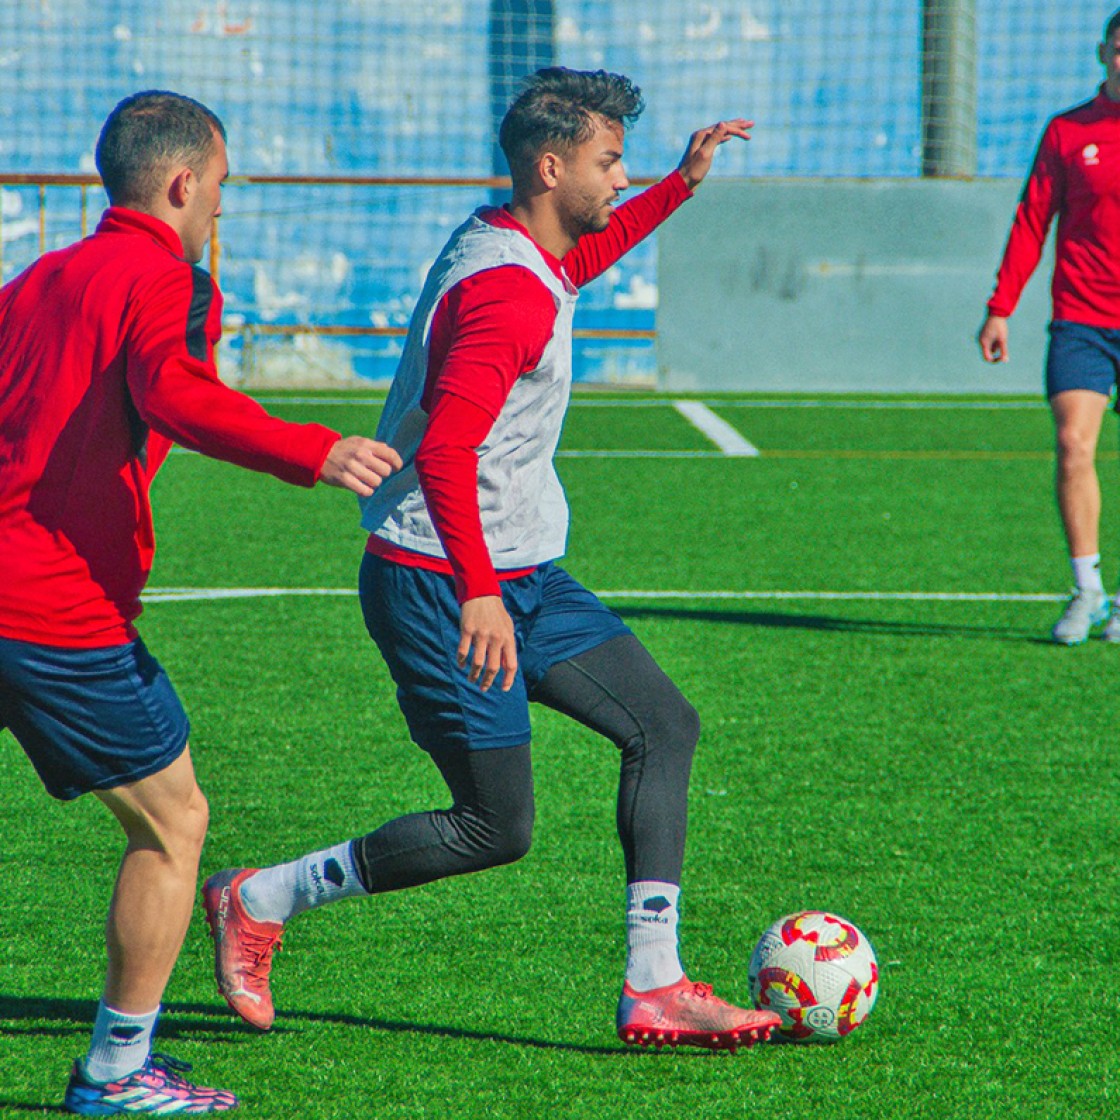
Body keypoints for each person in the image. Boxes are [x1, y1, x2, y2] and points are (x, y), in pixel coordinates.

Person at [204, 67, 780, 1052]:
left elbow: (588, 253)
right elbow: (444, 452)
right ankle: (259, 897)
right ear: (551, 167)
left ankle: (655, 982)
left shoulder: (524, 244)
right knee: (493, 827)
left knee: (662, 726)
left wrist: (679, 183)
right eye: (610, 160)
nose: (620, 174)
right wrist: (477, 595)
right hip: (438, 580)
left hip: (520, 572)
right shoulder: (506, 296)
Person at [0, 90, 401, 1115]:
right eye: (220, 184)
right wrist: (314, 450)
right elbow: (176, 392)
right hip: (47, 603)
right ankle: (116, 1071)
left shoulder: (37, 276)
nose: (222, 203)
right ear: (183, 184)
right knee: (174, 822)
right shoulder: (168, 277)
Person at [979, 8, 1120, 644]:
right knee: (1074, 445)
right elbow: (1033, 219)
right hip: (1083, 319)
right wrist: (1001, 306)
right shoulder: (1068, 131)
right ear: (1102, 53)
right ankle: (1087, 588)